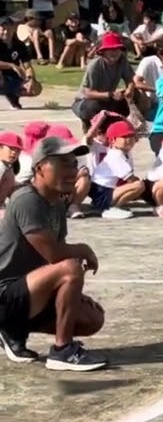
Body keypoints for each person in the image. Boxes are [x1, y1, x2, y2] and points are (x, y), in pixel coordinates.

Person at [0, 135, 107, 371]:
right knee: (70, 268)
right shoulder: (26, 200)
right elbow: (55, 255)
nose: (72, 171)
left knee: (92, 318)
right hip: (5, 293)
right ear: (39, 168)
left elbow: (54, 256)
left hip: (28, 290)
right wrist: (84, 249)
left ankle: (12, 329)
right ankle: (62, 350)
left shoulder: (57, 202)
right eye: (63, 163)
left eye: (73, 164)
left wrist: (70, 295)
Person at [70, 32, 131, 131]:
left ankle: (113, 124)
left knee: (132, 99)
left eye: (117, 49)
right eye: (111, 49)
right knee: (93, 106)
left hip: (107, 100)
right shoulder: (95, 65)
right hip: (84, 102)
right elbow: (88, 93)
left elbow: (130, 78)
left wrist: (130, 89)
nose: (114, 52)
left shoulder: (122, 60)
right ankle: (90, 124)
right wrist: (111, 94)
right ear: (103, 51)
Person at [88, 118, 146, 219]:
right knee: (138, 185)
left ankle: (110, 205)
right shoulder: (116, 155)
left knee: (138, 185)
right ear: (113, 140)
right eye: (124, 137)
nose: (129, 140)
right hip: (101, 191)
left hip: (104, 190)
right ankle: (111, 208)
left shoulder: (124, 152)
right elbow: (130, 178)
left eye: (131, 136)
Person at [0, 16, 41, 110]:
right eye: (3, 29)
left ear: (13, 29)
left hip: (12, 77)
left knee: (36, 88)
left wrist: (31, 79)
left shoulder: (19, 45)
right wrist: (11, 65)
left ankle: (13, 98)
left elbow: (27, 66)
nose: (6, 32)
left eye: (8, 29)